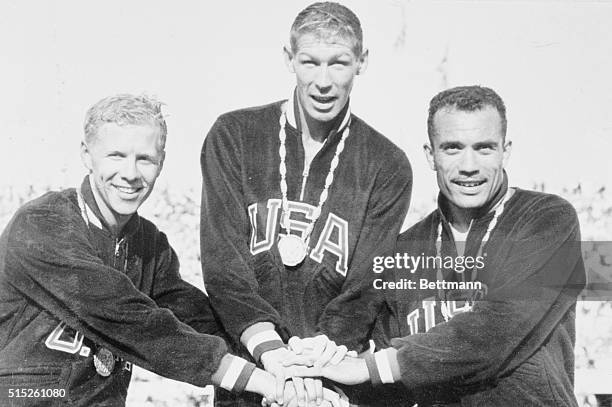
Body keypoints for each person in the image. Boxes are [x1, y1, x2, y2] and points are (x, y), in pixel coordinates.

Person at [286, 86, 586, 406]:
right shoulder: (404, 251)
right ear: (431, 155)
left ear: (505, 150)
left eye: (484, 148)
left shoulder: (549, 219)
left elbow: (497, 331)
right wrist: (325, 388)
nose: (469, 165)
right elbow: (389, 381)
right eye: (452, 148)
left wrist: (371, 367)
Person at [0, 94, 287, 406]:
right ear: (86, 154)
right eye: (116, 156)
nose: (131, 173)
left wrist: (281, 361)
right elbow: (128, 318)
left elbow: (200, 321)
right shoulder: (44, 222)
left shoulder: (149, 244)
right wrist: (258, 379)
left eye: (145, 159)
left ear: (161, 163)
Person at [200, 2, 412, 406]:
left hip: (331, 380)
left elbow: (365, 287)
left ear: (361, 62)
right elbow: (224, 266)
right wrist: (270, 353)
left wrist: (312, 369)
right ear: (289, 59)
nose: (323, 82)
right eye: (310, 63)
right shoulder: (234, 136)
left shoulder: (387, 163)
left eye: (339, 64)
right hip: (253, 374)